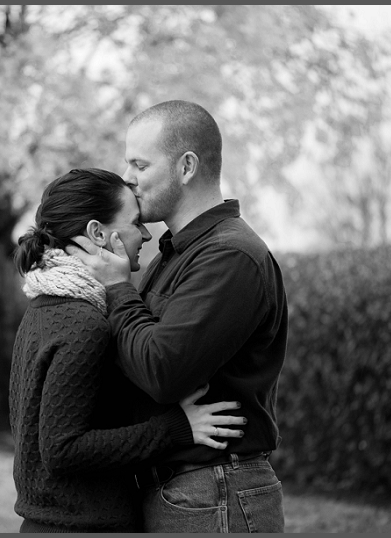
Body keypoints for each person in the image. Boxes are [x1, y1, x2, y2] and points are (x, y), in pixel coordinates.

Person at [67, 101, 288, 533]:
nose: (127, 178)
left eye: (140, 164)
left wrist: (117, 289)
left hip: (213, 492)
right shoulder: (177, 251)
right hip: (187, 493)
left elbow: (161, 371)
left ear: (186, 166)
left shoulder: (229, 257)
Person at [9, 168, 248, 533]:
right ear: (98, 234)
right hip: (80, 528)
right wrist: (174, 429)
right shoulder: (82, 322)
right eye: (136, 223)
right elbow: (62, 449)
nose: (148, 234)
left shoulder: (44, 307)